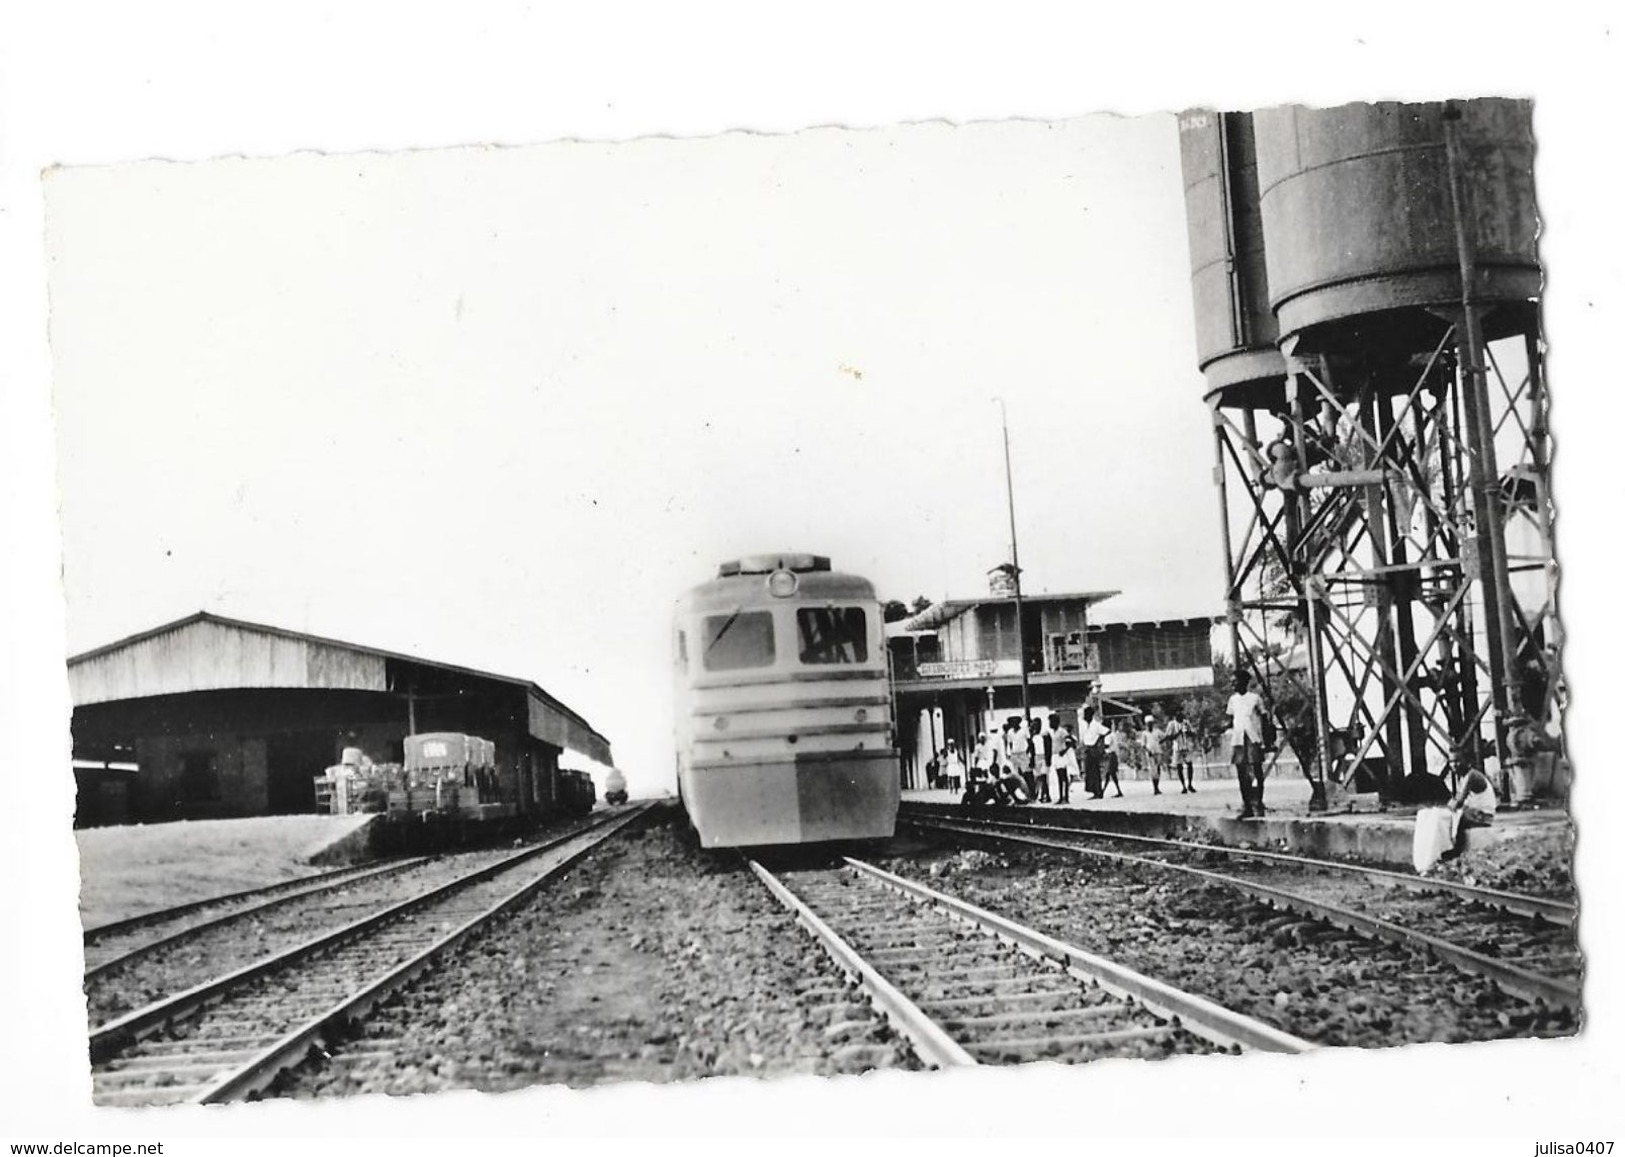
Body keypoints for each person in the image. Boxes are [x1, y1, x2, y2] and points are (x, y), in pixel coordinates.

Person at [1228, 670, 1267, 818]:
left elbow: (1264, 717)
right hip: (1238, 738)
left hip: (1253, 737)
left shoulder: (1255, 698)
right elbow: (1231, 719)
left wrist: (1265, 738)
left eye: (1235, 682)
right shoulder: (1233, 700)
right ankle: (1247, 806)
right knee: (1241, 773)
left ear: (1244, 682)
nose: (1233, 685)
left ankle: (1259, 803)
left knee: (1257, 770)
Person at [1439, 766, 1498, 862]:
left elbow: (1459, 802)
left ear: (1467, 762)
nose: (1454, 766)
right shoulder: (1464, 777)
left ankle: (1458, 850)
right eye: (1452, 762)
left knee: (1461, 815)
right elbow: (1457, 799)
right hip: (1478, 812)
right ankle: (1452, 846)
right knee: (1458, 814)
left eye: (1458, 762)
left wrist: (1449, 804)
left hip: (1484, 815)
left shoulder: (1472, 776)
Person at [1079, 705, 1107, 799]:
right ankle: (1094, 791)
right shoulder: (1086, 725)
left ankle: (1098, 791)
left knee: (1095, 771)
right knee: (1089, 771)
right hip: (1088, 749)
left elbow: (1106, 731)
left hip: (1093, 749)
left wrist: (1099, 742)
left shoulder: (1096, 724)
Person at [1165, 714, 1195, 793]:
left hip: (1187, 746)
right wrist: (1178, 733)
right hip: (1177, 747)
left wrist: (1188, 732)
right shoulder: (1172, 724)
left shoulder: (1186, 723)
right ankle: (1183, 786)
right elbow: (1169, 737)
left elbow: (1192, 733)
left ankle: (1190, 784)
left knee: (1190, 765)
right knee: (1179, 766)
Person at [1050, 714, 1076, 805]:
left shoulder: (1062, 731)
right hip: (1056, 756)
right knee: (1059, 778)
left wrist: (1064, 750)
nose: (1050, 723)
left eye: (1051, 721)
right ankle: (1061, 797)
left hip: (1061, 756)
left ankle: (1066, 797)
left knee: (1063, 777)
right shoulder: (1054, 732)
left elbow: (1072, 741)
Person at [1029, 716, 1053, 803]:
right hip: (1036, 757)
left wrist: (1048, 759)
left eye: (1037, 724)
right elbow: (1032, 749)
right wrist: (1032, 760)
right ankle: (1040, 795)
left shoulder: (1045, 734)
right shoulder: (1033, 736)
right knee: (1038, 777)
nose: (1036, 726)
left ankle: (1045, 795)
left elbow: (1049, 747)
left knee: (1044, 777)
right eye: (1034, 725)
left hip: (1044, 757)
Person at [1142, 714, 1165, 796]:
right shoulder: (1144, 733)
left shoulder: (1157, 731)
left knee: (1158, 768)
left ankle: (1157, 786)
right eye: (1148, 723)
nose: (1150, 725)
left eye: (1151, 723)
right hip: (1150, 753)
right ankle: (1155, 788)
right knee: (1153, 770)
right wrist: (1148, 751)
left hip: (1158, 751)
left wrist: (1160, 743)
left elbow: (1164, 737)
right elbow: (1143, 745)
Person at [1103, 721, 1126, 798]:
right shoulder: (1113, 735)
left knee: (1109, 774)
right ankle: (1116, 790)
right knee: (1111, 774)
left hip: (1110, 755)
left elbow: (1106, 746)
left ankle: (1103, 791)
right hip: (1113, 755)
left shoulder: (1108, 736)